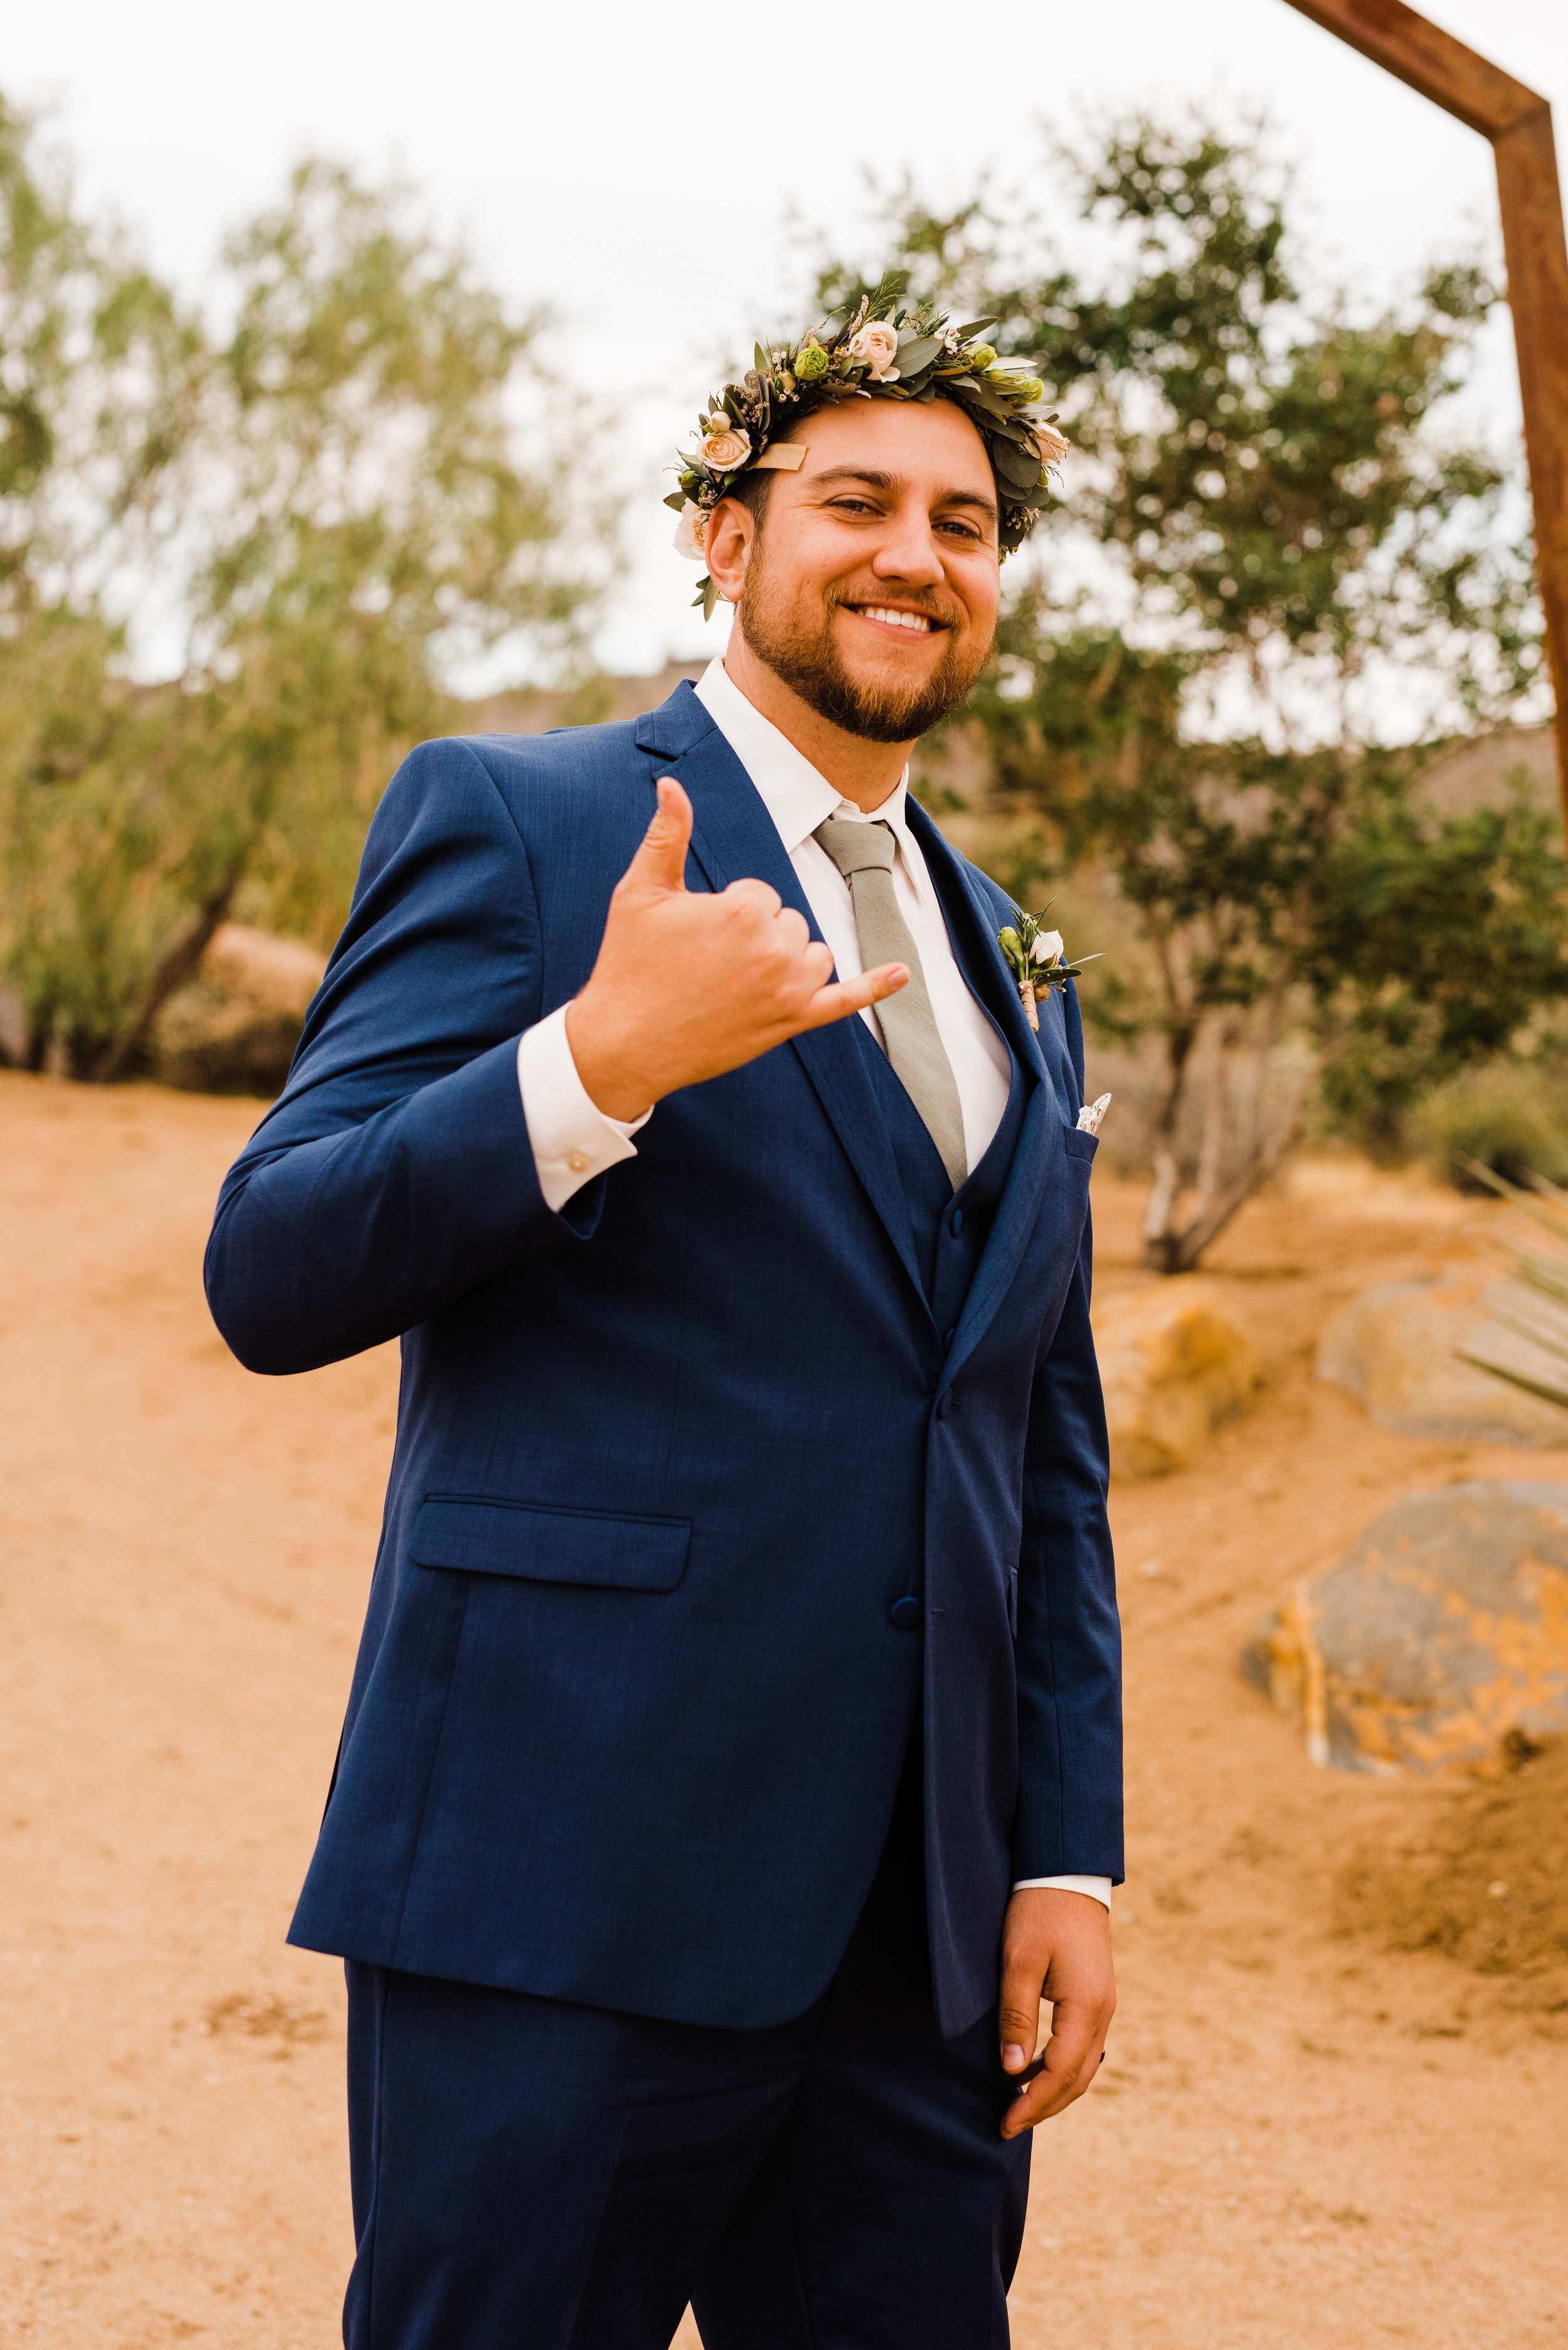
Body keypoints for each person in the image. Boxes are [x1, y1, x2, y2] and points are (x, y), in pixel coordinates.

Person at [205, 294, 1122, 2350]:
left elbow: (1034, 1432)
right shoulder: (523, 820)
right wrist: (595, 1062)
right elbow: (271, 1268)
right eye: (853, 500)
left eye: (964, 522)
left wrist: (1064, 1852)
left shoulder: (1015, 957)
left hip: (921, 1937)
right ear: (727, 532)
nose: (914, 555)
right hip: (559, 1883)